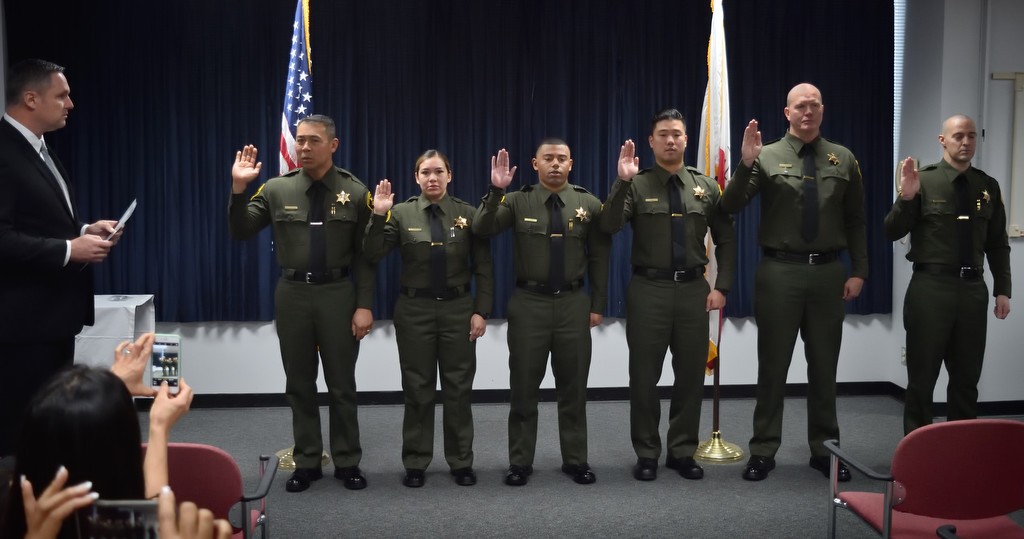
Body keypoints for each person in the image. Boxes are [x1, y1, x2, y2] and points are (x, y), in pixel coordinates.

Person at [721, 83, 868, 482]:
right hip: (779, 273)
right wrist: (746, 164)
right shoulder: (766, 156)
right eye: (800, 106)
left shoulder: (844, 158)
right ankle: (764, 450)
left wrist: (859, 271)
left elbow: (856, 220)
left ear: (822, 110)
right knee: (773, 366)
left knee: (824, 367)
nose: (808, 111)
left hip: (828, 273)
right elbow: (730, 206)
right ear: (786, 113)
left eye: (814, 105)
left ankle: (825, 451)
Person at [229, 115, 375, 492]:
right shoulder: (277, 189)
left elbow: (366, 256)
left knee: (342, 383)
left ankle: (347, 462)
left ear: (333, 145)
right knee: (299, 382)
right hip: (292, 294)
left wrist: (364, 304)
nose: (304, 147)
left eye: (313, 141)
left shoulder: (356, 192)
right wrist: (239, 189)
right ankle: (307, 460)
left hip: (338, 294)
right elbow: (241, 229)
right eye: (299, 140)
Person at [600, 109, 736, 482]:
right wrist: (622, 182)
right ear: (651, 141)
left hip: (694, 289)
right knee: (644, 377)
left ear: (687, 139)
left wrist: (722, 286)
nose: (671, 140)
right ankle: (647, 452)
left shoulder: (706, 186)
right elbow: (608, 225)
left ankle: (681, 451)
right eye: (663, 134)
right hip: (649, 290)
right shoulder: (638, 184)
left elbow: (725, 237)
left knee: (691, 376)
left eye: (677, 133)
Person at [0, 59, 123, 457]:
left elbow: (37, 223)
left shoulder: (39, 149)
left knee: (48, 431)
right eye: (62, 95)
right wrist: (70, 250)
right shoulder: (4, 151)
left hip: (51, 317)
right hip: (20, 326)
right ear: (31, 98)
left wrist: (84, 231)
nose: (70, 103)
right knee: (22, 434)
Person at [473, 140, 611, 486]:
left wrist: (597, 305)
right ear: (535, 163)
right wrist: (495, 190)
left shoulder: (588, 203)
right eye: (548, 158)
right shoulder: (517, 201)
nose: (555, 164)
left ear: (571, 163)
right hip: (529, 303)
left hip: (573, 303)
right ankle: (519, 462)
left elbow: (600, 256)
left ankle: (576, 460)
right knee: (522, 388)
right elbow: (482, 228)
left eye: (561, 159)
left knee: (574, 388)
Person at [0, 333, 216, 538]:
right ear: (122, 457)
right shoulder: (127, 529)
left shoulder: (10, 498)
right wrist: (158, 427)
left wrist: (112, 388)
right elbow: (151, 516)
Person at [363, 150, 493, 488]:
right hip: (415, 311)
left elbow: (484, 266)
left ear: (450, 175)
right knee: (417, 389)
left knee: (458, 389)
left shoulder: (467, 213)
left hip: (458, 310)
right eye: (425, 172)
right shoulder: (401, 213)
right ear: (416, 178)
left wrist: (481, 310)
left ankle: (461, 462)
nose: (432, 178)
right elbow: (373, 253)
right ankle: (416, 462)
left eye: (438, 171)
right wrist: (378, 215)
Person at [885, 114, 1012, 434]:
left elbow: (998, 244)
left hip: (973, 289)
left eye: (971, 136)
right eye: (958, 136)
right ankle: (917, 455)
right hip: (931, 288)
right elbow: (892, 230)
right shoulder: (923, 180)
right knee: (922, 379)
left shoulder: (987, 186)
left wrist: (1003, 289)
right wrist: (907, 197)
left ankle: (961, 453)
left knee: (967, 380)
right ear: (942, 140)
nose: (966, 142)